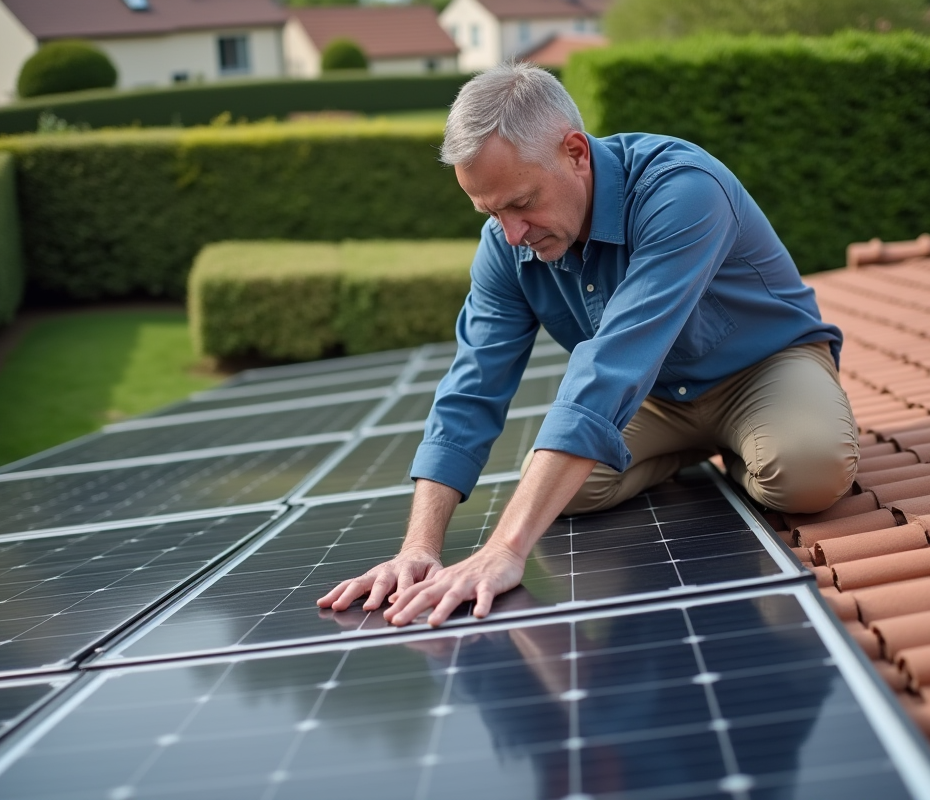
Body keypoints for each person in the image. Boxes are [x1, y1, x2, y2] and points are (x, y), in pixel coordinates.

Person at [317, 63, 857, 627]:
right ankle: (690, 447)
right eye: (491, 211)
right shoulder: (507, 245)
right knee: (560, 494)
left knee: (805, 472)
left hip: (760, 369)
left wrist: (505, 550)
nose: (512, 232)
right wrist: (419, 550)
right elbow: (472, 387)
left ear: (575, 151)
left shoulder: (683, 191)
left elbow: (610, 366)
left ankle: (745, 438)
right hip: (650, 398)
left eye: (522, 202)